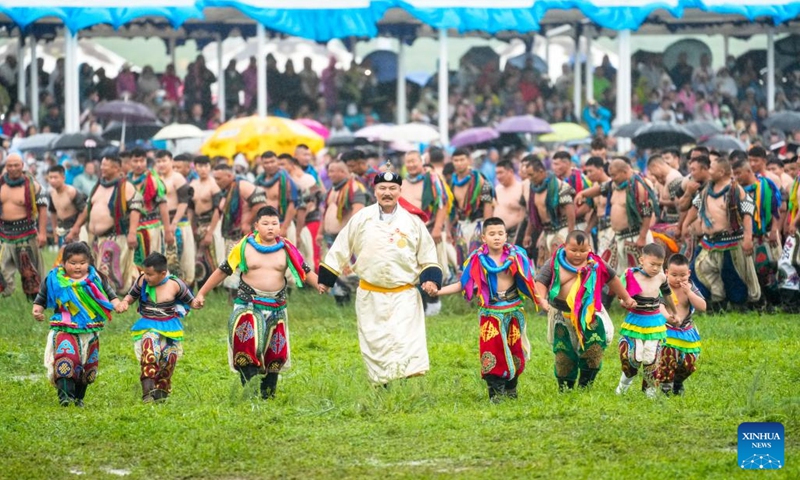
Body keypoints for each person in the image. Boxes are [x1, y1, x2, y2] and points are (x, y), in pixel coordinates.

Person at [318, 169, 443, 385]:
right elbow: (340, 247)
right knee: (375, 342)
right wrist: (326, 279)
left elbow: (427, 253)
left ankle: (401, 382)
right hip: (370, 293)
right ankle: (382, 386)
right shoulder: (361, 218)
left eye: (392, 188)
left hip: (404, 294)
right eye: (382, 188)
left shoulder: (413, 221)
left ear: (400, 191)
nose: (387, 192)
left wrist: (430, 279)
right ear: (374, 191)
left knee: (404, 341)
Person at [193, 207, 320, 399]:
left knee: (275, 352)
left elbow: (305, 270)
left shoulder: (287, 249)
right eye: (265, 223)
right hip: (248, 304)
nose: (270, 228)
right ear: (256, 226)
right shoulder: (243, 247)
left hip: (276, 307)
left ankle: (268, 394)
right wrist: (201, 293)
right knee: (245, 348)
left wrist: (321, 286)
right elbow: (223, 270)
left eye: (274, 224)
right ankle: (250, 392)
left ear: (280, 226)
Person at [436, 217, 537, 401]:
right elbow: (462, 284)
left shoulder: (517, 256)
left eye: (500, 233)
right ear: (484, 237)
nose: (497, 237)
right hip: (491, 311)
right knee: (491, 350)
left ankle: (511, 389)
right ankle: (495, 392)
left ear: (506, 236)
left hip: (513, 308)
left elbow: (531, 282)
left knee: (515, 349)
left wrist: (543, 300)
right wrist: (438, 291)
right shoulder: (477, 260)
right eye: (492, 234)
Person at [534, 230, 636, 391]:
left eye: (583, 251)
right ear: (565, 246)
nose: (578, 254)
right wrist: (542, 300)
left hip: (589, 313)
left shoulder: (596, 262)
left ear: (590, 248)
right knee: (563, 354)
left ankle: (585, 385)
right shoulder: (554, 262)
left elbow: (612, 279)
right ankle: (566, 388)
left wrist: (626, 297)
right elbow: (541, 281)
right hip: (561, 315)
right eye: (573, 250)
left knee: (594, 347)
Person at [32, 242, 125, 406]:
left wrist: (117, 304)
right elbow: (41, 297)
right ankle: (65, 397)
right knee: (66, 357)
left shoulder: (96, 278)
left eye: (82, 263)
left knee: (88, 366)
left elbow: (110, 295)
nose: (78, 267)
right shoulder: (55, 279)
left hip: (89, 329)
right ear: (63, 263)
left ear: (89, 262)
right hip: (64, 327)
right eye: (73, 263)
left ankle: (78, 398)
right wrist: (37, 310)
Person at [683, 156, 760, 312]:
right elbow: (694, 207)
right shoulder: (706, 190)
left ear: (722, 171)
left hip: (731, 243)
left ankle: (739, 306)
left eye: (712, 168)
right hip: (708, 243)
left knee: (733, 276)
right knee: (699, 271)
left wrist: (747, 238)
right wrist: (685, 224)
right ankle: (712, 304)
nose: (709, 171)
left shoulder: (735, 190)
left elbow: (747, 213)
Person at [117, 253, 194, 403]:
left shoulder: (175, 284)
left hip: (170, 328)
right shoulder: (142, 280)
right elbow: (130, 297)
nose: (146, 277)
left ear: (163, 273)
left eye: (150, 274)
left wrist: (197, 302)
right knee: (150, 350)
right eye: (145, 273)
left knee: (170, 357)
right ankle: (147, 393)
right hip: (148, 325)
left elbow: (191, 301)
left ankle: (161, 392)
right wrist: (124, 303)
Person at [616, 243, 678, 397]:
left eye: (659, 264)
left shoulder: (662, 276)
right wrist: (626, 303)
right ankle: (622, 387)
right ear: (641, 260)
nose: (656, 268)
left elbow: (667, 294)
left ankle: (649, 389)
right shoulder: (631, 274)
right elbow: (621, 298)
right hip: (636, 321)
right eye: (652, 264)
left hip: (655, 322)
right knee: (634, 357)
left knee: (651, 357)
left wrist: (674, 312)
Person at [576, 159, 659, 272]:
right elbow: (599, 189)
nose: (612, 178)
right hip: (619, 237)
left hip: (635, 237)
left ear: (624, 172)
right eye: (611, 175)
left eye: (614, 175)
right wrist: (583, 193)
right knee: (616, 275)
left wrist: (642, 237)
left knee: (641, 275)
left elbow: (647, 212)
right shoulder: (614, 185)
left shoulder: (638, 186)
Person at [401, 151, 449, 315]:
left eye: (414, 161)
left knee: (430, 266)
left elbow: (443, 204)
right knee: (411, 268)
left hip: (428, 229)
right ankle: (417, 304)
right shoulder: (401, 183)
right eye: (408, 161)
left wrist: (437, 228)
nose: (411, 164)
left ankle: (433, 303)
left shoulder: (433, 179)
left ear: (421, 162)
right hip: (406, 232)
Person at [731, 155, 782, 309]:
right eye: (735, 173)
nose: (737, 177)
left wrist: (774, 230)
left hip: (765, 235)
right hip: (745, 237)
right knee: (749, 271)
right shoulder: (736, 191)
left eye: (739, 173)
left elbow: (775, 209)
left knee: (767, 268)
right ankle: (757, 303)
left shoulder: (766, 185)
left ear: (748, 171)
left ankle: (773, 302)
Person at [319, 159, 368, 305]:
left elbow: (358, 212)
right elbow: (326, 211)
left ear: (343, 172)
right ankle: (341, 301)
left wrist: (350, 234)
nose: (330, 174)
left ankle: (364, 299)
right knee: (332, 268)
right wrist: (320, 232)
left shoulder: (354, 188)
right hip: (330, 237)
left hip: (346, 239)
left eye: (333, 171)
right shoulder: (332, 189)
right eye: (329, 171)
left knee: (353, 273)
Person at [212, 163, 267, 294]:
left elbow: (260, 203)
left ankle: (244, 300)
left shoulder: (243, 185)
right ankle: (235, 301)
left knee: (240, 266)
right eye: (215, 178)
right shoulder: (228, 189)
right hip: (232, 235)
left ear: (229, 175)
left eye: (219, 178)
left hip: (243, 235)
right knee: (232, 266)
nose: (216, 182)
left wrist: (247, 222)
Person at [0, 153, 48, 299]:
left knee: (30, 272)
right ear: (5, 167)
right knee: (2, 270)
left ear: (22, 165)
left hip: (26, 233)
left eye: (16, 165)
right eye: (10, 165)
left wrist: (43, 233)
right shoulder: (1, 183)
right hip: (4, 233)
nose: (13, 168)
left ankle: (35, 302)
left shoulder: (34, 185)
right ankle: (5, 293)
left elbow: (43, 207)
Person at [658, 254, 706, 395]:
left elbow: (703, 306)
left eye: (682, 275)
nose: (678, 279)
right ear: (666, 273)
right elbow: (659, 306)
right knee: (668, 356)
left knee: (689, 363)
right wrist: (668, 317)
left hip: (686, 330)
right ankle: (666, 385)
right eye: (674, 275)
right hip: (667, 328)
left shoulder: (690, 286)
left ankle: (677, 382)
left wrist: (689, 293)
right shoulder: (663, 286)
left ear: (689, 273)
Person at [522, 155, 576, 266]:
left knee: (561, 266)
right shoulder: (534, 189)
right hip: (547, 231)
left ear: (541, 171)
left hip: (562, 230)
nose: (529, 178)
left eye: (531, 175)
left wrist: (571, 235)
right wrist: (527, 234)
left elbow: (571, 211)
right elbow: (533, 216)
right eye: (527, 175)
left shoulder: (560, 186)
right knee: (544, 268)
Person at [155, 150, 195, 287]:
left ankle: (183, 290)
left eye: (164, 161)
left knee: (181, 258)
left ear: (171, 161)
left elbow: (184, 201)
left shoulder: (177, 178)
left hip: (179, 222)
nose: (161, 164)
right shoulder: (157, 179)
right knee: (165, 258)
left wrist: (174, 222)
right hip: (162, 223)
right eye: (159, 161)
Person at [448, 148, 494, 267]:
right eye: (456, 160)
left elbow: (488, 206)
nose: (458, 163)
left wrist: (488, 230)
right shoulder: (451, 182)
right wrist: (448, 229)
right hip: (461, 226)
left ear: (469, 160)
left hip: (478, 225)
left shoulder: (482, 181)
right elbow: (449, 208)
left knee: (479, 262)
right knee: (462, 265)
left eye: (462, 160)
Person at [127, 149, 171, 268]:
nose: (139, 164)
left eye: (142, 161)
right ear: (129, 162)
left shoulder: (153, 180)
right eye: (135, 161)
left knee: (151, 266)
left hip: (150, 230)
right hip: (130, 229)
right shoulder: (126, 180)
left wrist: (168, 231)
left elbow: (163, 206)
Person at [190, 156, 224, 288]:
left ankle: (217, 287)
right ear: (196, 167)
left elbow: (218, 210)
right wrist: (191, 226)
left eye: (205, 166)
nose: (203, 169)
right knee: (199, 256)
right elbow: (190, 208)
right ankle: (202, 284)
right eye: (200, 166)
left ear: (210, 167)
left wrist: (210, 232)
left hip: (212, 222)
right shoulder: (193, 184)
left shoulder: (214, 185)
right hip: (198, 223)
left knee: (214, 255)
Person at [255, 151, 300, 241]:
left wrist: (284, 227)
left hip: (282, 223)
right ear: (262, 164)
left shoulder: (286, 180)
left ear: (277, 162)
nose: (269, 165)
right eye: (266, 162)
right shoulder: (258, 181)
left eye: (272, 162)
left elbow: (293, 204)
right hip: (263, 224)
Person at [47, 165, 87, 248]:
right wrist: (55, 232)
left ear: (63, 178)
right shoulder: (52, 193)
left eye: (55, 177)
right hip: (62, 229)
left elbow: (84, 210)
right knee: (63, 259)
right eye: (50, 177)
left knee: (78, 258)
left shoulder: (71, 192)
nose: (52, 180)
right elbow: (53, 212)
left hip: (76, 229)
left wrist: (76, 228)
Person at [493, 160, 526, 245]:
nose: (498, 176)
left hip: (515, 234)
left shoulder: (521, 188)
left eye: (501, 173)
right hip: (498, 236)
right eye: (496, 173)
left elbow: (526, 214)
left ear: (510, 172)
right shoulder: (497, 189)